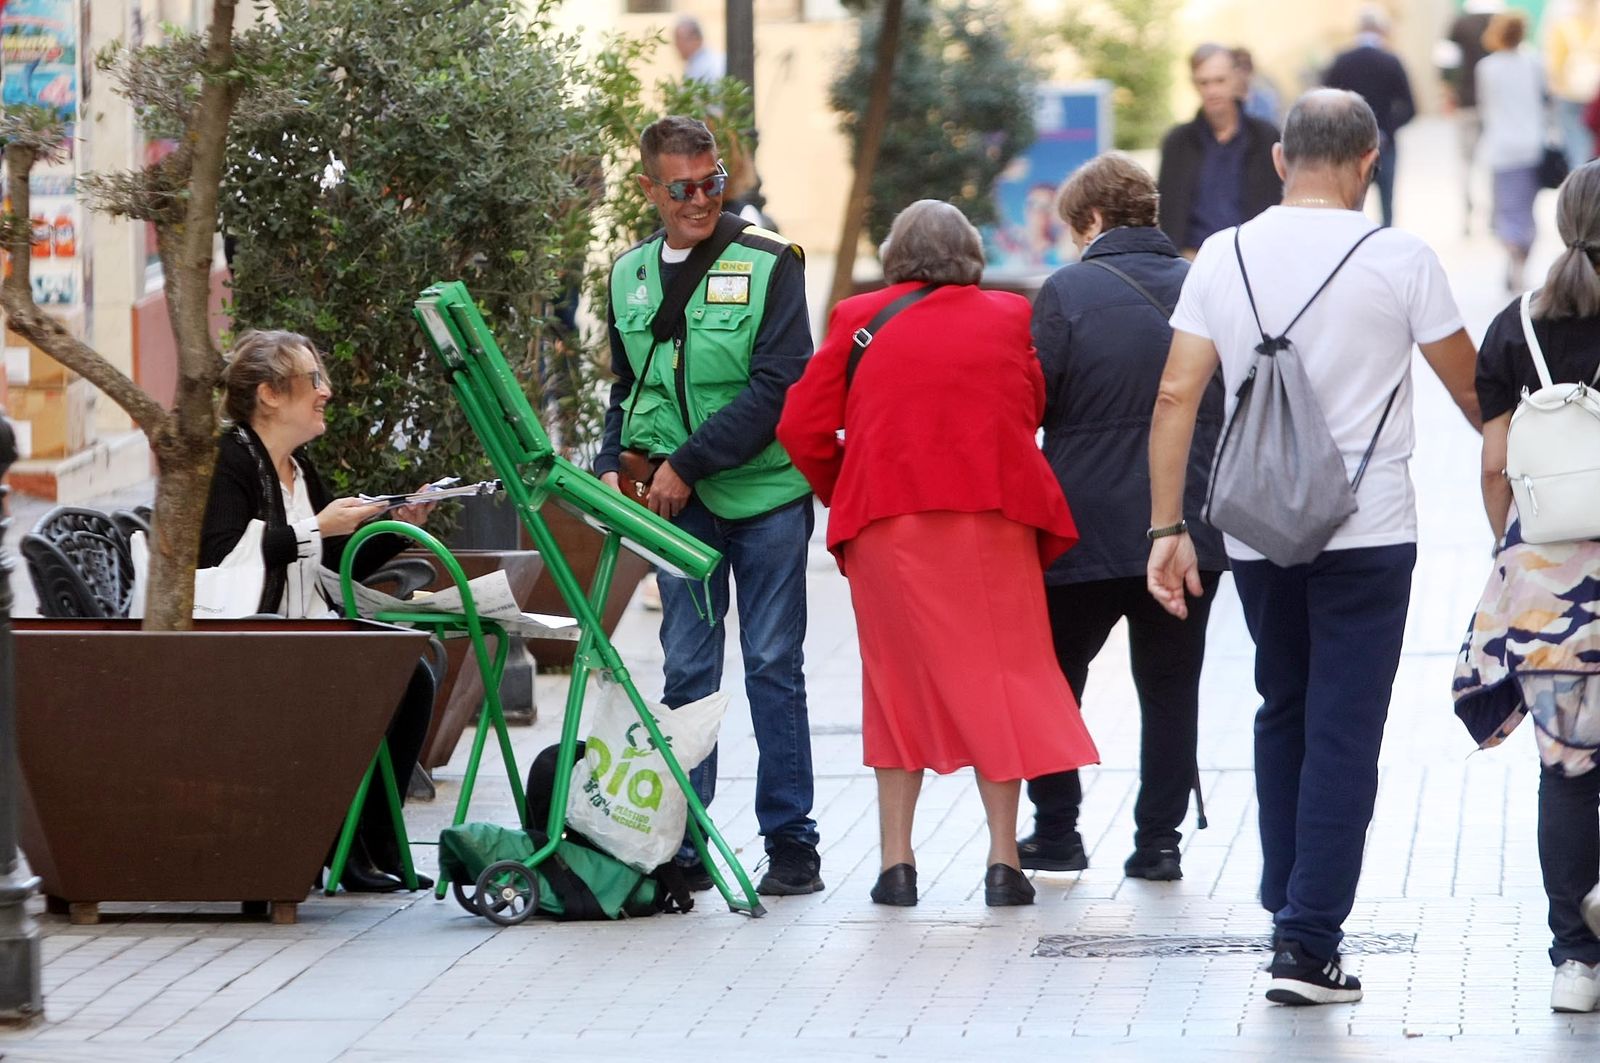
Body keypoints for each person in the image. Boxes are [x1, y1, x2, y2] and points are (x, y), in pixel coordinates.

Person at [1148, 89, 1480, 1006]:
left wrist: (1168, 527)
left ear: (1280, 159)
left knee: (1282, 705)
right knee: (1343, 726)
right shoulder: (1401, 257)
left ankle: (1287, 906)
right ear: (1370, 159)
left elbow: (1176, 395)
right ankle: (1307, 940)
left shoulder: (1222, 254)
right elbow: (1472, 392)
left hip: (1256, 530)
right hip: (1370, 530)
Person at [777, 200, 1098, 908]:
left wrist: (848, 484)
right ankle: (1004, 862)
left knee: (895, 687)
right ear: (970, 254)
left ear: (896, 254)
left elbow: (800, 423)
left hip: (888, 527)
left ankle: (897, 866)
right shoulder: (1008, 316)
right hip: (993, 521)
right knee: (1001, 679)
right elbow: (1029, 406)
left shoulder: (858, 317)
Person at [594, 116, 822, 897]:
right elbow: (628, 389)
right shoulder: (627, 274)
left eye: (712, 183)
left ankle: (791, 841)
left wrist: (687, 464)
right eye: (683, 188)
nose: (699, 200)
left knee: (772, 663)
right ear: (649, 189)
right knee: (689, 665)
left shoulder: (770, 262)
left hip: (764, 497)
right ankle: (684, 842)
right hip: (674, 506)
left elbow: (780, 386)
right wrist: (609, 465)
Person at [1019, 153, 1227, 882]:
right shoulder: (1205, 286)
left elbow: (1033, 401)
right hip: (1189, 522)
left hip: (1082, 523)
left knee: (1055, 678)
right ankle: (1158, 842)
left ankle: (1056, 831)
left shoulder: (1065, 292)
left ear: (1093, 220)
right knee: (1171, 686)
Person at [200, 329, 437, 893]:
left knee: (413, 675)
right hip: (251, 640)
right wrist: (316, 527)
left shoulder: (298, 466)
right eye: (313, 379)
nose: (325, 390)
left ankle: (376, 840)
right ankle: (346, 848)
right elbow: (219, 556)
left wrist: (399, 525)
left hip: (305, 631)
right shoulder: (230, 459)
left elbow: (333, 560)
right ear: (269, 395)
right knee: (370, 681)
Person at [1454, 160, 1600, 1014]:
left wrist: (1507, 544)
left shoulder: (1516, 327)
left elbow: (1494, 462)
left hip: (1547, 580)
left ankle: (1575, 962)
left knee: (1568, 769)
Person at [1157, 43, 1283, 258]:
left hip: (1253, 257)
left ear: (1236, 79)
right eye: (1204, 82)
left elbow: (1277, 202)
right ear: (1194, 85)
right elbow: (1169, 212)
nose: (1212, 91)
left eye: (1220, 80)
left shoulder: (1265, 138)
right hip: (1193, 259)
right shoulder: (1178, 143)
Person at [1323, 6, 1416, 227]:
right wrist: (1385, 129)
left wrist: (1343, 131)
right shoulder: (1391, 61)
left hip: (1347, 145)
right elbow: (1410, 107)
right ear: (1382, 30)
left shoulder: (1341, 61)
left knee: (1347, 207)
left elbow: (1324, 102)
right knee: (1387, 206)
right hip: (1384, 144)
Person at [1478, 10, 1548, 291]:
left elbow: (1485, 106)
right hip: (1531, 145)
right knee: (1527, 208)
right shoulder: (1534, 63)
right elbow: (1545, 101)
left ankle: (1513, 250)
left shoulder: (1487, 67)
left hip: (1501, 148)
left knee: (1506, 209)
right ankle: (1521, 256)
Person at [1438, 0, 1503, 233]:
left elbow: (1446, 61)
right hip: (1495, 105)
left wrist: (1447, 94)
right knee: (1496, 161)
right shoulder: (1500, 21)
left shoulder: (1460, 23)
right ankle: (1495, 215)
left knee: (1466, 162)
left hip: (1466, 102)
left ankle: (1467, 215)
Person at [1546, 0, 1600, 169]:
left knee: (1575, 145)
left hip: (1569, 94)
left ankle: (1580, 179)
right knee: (1594, 144)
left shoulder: (1563, 27)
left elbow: (1555, 66)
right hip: (1596, 96)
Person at [1234, 48, 1283, 126]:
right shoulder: (1230, 105)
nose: (1243, 71)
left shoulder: (1266, 99)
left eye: (1247, 65)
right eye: (1238, 65)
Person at [674, 17, 726, 85]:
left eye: (679, 40)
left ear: (695, 39)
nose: (677, 45)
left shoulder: (702, 66)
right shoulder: (696, 63)